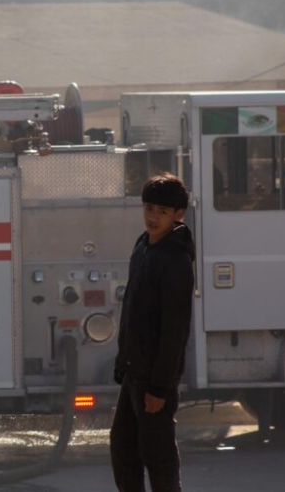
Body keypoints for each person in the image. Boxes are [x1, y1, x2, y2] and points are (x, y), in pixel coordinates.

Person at [110, 173, 195, 492]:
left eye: (161, 211)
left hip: (154, 379)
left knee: (157, 456)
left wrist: (159, 388)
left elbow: (175, 330)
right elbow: (132, 309)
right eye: (148, 208)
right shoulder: (143, 245)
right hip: (134, 370)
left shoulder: (175, 259)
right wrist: (123, 361)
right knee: (123, 449)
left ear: (178, 215)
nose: (152, 217)